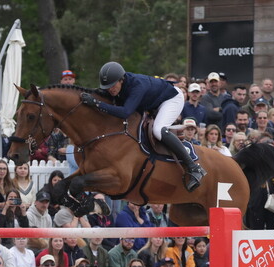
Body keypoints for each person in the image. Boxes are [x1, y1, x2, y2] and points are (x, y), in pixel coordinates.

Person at [81, 62, 205, 191]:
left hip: (171, 99)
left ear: (121, 80)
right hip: (153, 102)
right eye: (107, 87)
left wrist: (96, 104)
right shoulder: (119, 86)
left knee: (158, 130)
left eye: (112, 85)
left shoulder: (137, 85)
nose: (110, 89)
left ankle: (193, 167)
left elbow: (125, 112)